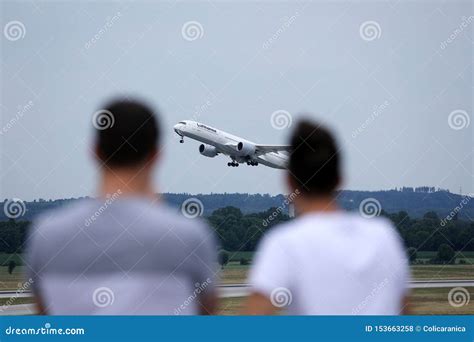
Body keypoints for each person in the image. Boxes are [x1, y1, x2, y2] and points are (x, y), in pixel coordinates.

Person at [26, 99, 218, 315]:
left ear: (94, 151)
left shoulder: (46, 236)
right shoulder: (190, 236)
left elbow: (44, 323)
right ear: (157, 155)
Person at [244, 119, 410, 315]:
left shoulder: (283, 243)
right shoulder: (384, 236)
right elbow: (405, 312)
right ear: (340, 179)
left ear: (288, 181)